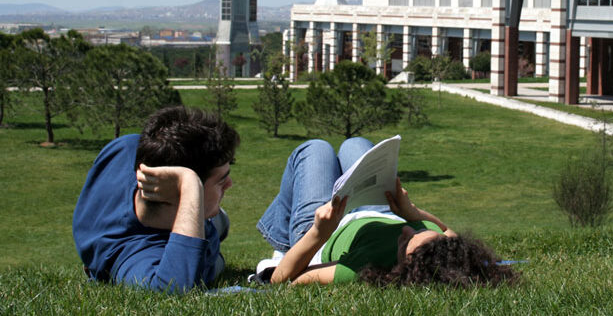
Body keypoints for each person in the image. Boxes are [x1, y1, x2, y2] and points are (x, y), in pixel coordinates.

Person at [256, 137, 517, 286]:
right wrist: (414, 213)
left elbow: (284, 279)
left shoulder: (360, 268)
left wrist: (317, 233)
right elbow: (449, 231)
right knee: (355, 143)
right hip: (377, 210)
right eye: (418, 232)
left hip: (326, 228)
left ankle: (282, 240)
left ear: (403, 267)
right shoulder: (444, 250)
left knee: (314, 149)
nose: (405, 230)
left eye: (404, 242)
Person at [73, 106, 240, 293]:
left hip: (187, 215)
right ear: (179, 193)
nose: (229, 184)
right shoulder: (133, 253)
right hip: (196, 235)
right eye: (221, 181)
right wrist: (189, 183)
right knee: (215, 261)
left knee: (220, 221)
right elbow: (173, 289)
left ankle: (217, 222)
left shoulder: (124, 148)